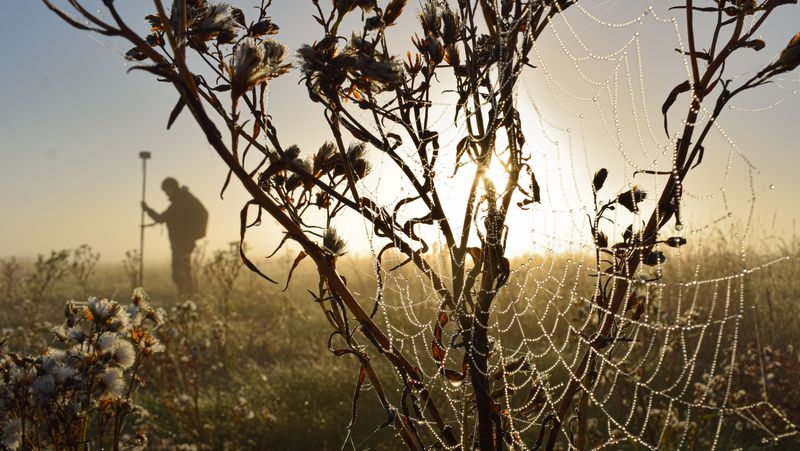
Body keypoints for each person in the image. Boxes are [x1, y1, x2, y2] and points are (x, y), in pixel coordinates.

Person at [142, 177, 207, 298]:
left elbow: (161, 218)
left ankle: (186, 301)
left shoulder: (179, 203)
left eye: (166, 190)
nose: (166, 194)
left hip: (181, 245)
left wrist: (147, 209)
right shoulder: (184, 200)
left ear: (172, 188)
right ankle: (188, 301)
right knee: (185, 273)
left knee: (180, 275)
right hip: (185, 243)